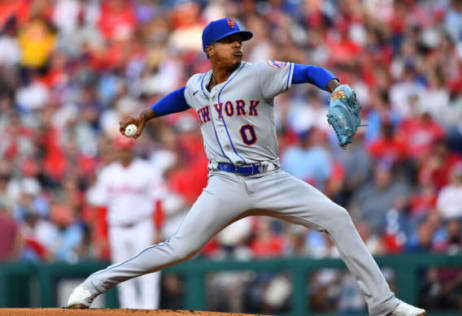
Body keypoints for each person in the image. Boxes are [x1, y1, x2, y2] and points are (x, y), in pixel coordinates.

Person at [67, 18, 425, 316]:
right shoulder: (197, 86)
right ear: (210, 50)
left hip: (271, 179)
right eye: (228, 41)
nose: (238, 45)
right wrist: (146, 114)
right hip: (224, 183)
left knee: (337, 217)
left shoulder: (258, 74)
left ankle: (383, 304)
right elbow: (180, 96)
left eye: (240, 40)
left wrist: (334, 87)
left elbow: (308, 71)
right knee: (179, 248)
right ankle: (94, 285)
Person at [85, 135, 164, 309]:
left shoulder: (147, 170)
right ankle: (129, 310)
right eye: (121, 149)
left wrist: (157, 228)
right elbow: (101, 208)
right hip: (117, 228)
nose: (124, 152)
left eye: (127, 149)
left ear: (132, 149)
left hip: (142, 225)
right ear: (116, 150)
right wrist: (102, 234)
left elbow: (157, 201)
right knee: (120, 272)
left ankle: (149, 309)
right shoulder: (108, 173)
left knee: (148, 269)